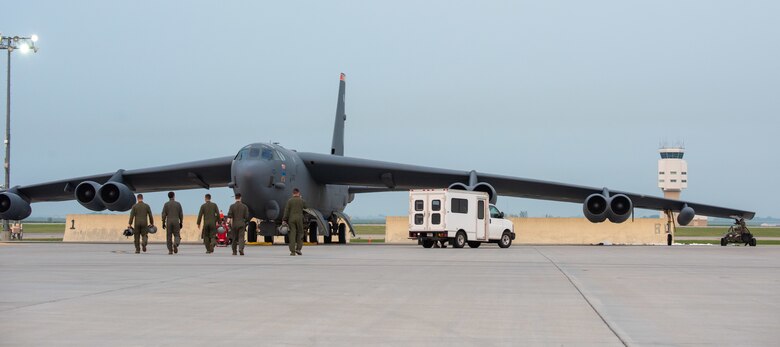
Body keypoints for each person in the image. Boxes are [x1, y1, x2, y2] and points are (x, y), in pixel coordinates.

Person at [283, 188, 307, 256]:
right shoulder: (302, 201)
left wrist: (284, 219)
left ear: (293, 193)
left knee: (292, 235)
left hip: (291, 219)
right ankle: (298, 249)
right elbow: (307, 210)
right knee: (300, 233)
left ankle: (292, 252)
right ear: (299, 193)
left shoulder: (289, 201)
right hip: (299, 219)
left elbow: (286, 211)